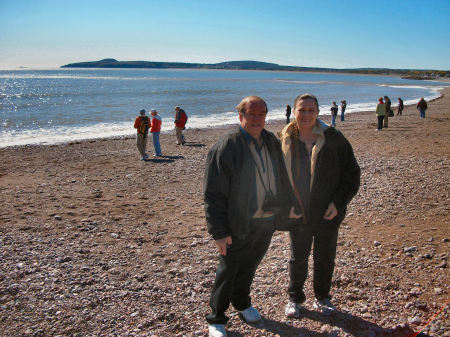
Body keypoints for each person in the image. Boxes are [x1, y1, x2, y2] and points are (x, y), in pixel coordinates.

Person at [204, 96, 298, 337]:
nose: (257, 119)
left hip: (266, 219)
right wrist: (219, 232)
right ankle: (216, 318)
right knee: (228, 269)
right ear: (240, 116)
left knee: (250, 266)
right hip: (238, 222)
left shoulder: (270, 140)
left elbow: (282, 178)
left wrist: (289, 207)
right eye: (251, 114)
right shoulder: (226, 147)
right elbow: (213, 195)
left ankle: (242, 303)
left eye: (261, 114)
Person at [279, 93, 360, 318]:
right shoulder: (285, 138)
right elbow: (277, 179)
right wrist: (285, 206)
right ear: (294, 112)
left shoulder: (334, 138)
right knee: (298, 257)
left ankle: (322, 297)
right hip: (298, 212)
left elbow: (352, 174)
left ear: (318, 112)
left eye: (310, 110)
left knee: (325, 256)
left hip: (327, 211)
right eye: (301, 110)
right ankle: (294, 298)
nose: (306, 115)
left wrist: (338, 202)